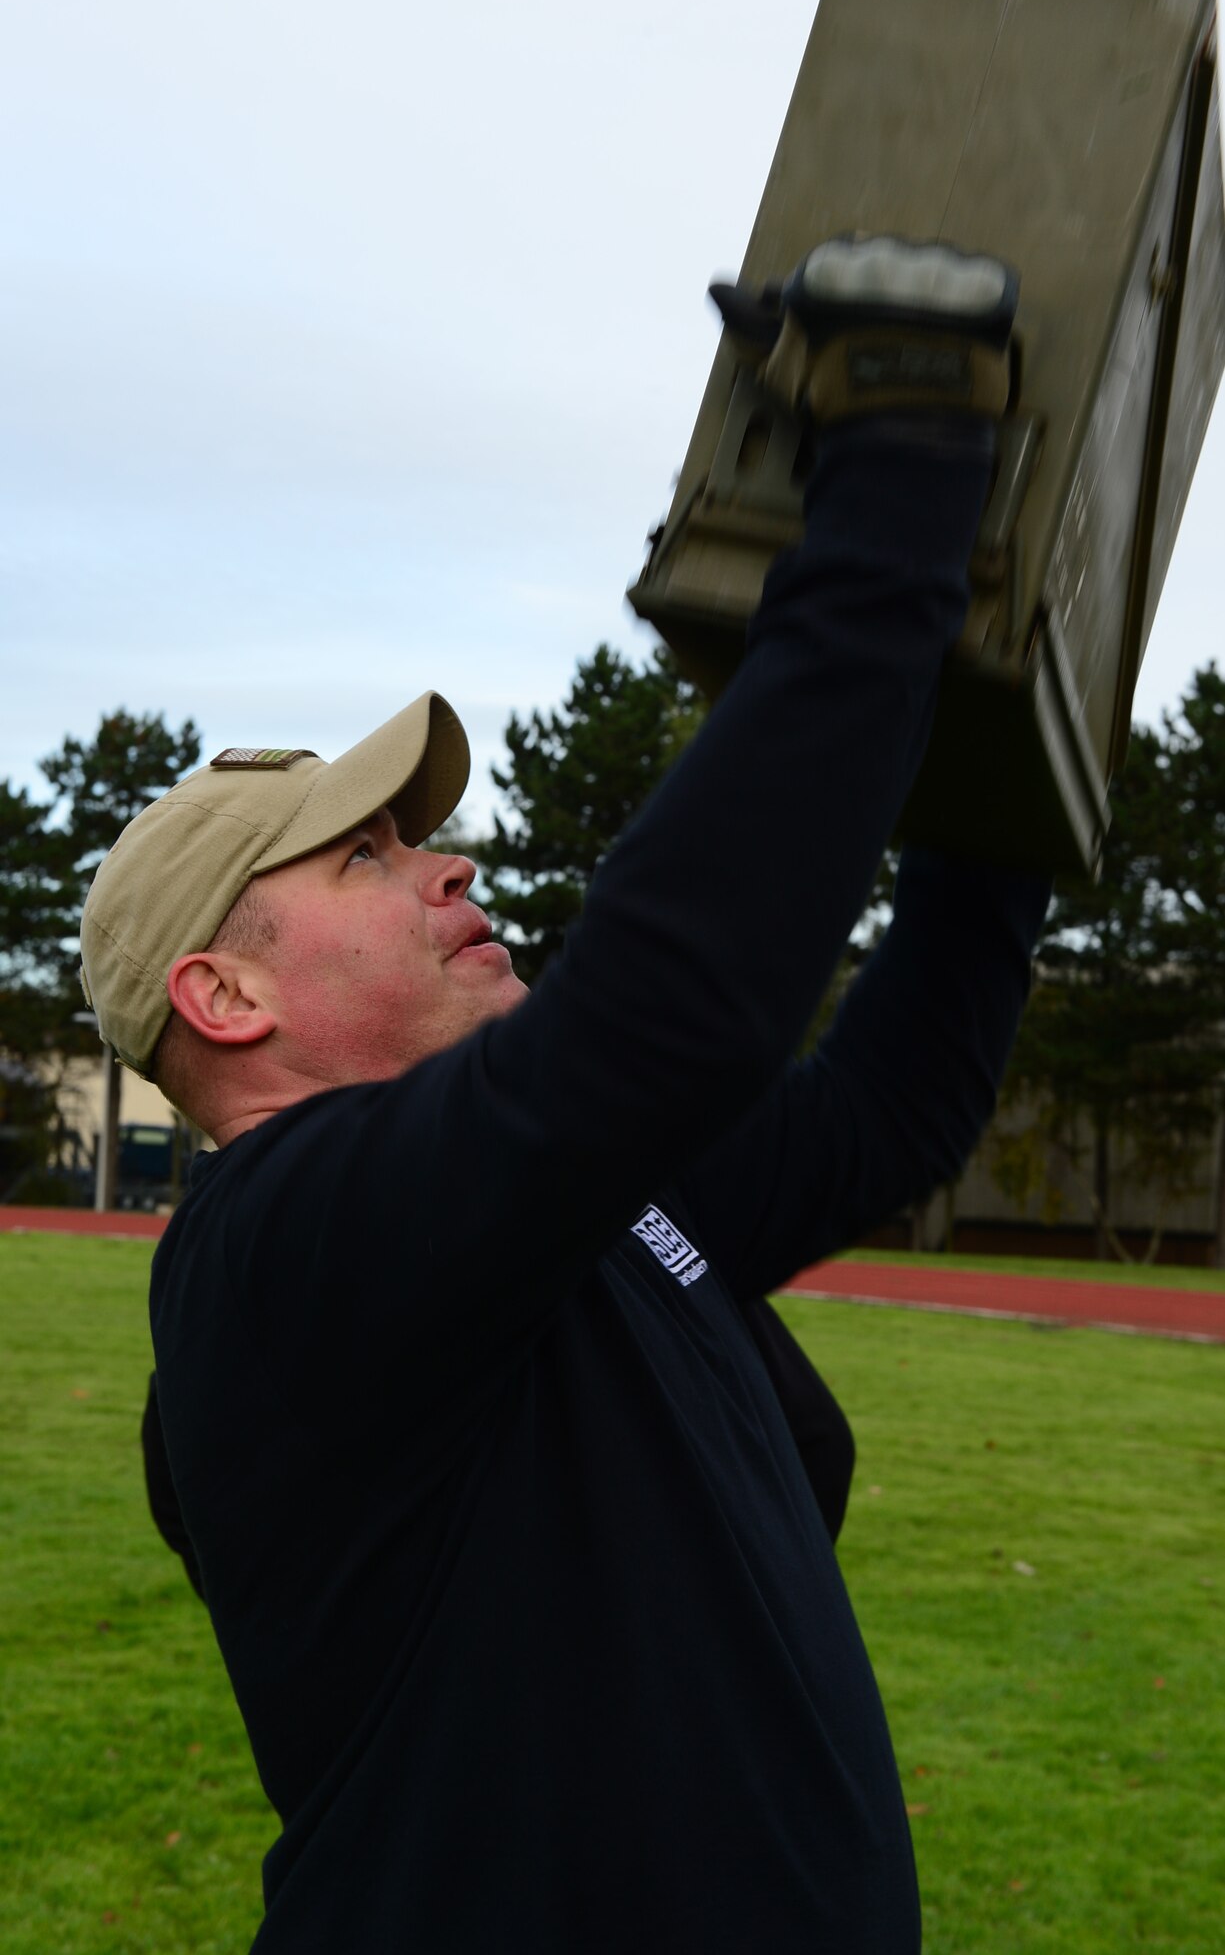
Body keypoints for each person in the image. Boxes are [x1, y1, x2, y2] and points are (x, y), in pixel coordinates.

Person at [81, 237, 1050, 1954]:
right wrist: (897, 474)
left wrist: (993, 809)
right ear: (221, 997)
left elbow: (878, 1114)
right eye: (370, 856)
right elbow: (671, 1011)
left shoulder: (572, 1220)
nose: (448, 867)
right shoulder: (285, 1253)